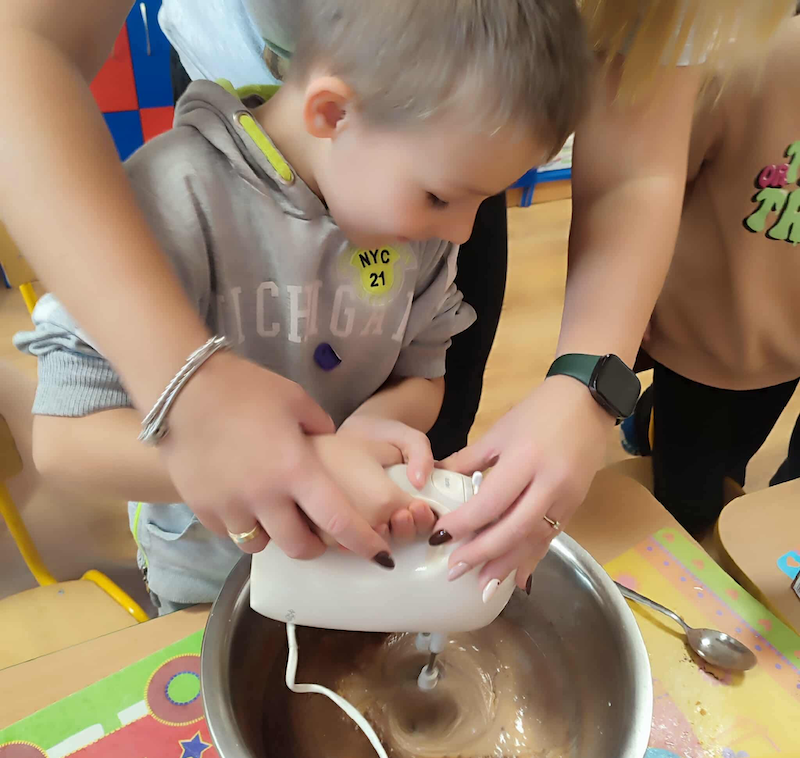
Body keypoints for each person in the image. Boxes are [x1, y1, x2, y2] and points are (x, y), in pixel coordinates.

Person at [0, 0, 791, 598]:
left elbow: (424, 370)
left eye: (485, 198)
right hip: (212, 576)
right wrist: (237, 433)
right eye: (446, 197)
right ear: (332, 113)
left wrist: (377, 426)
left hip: (347, 566)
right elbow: (66, 442)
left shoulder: (411, 209)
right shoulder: (172, 203)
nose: (467, 231)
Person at [619, 14, 800, 539]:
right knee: (688, 503)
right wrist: (635, 302)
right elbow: (654, 180)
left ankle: (649, 419)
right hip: (702, 338)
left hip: (786, 350)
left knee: (730, 467)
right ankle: (650, 423)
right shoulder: (749, 59)